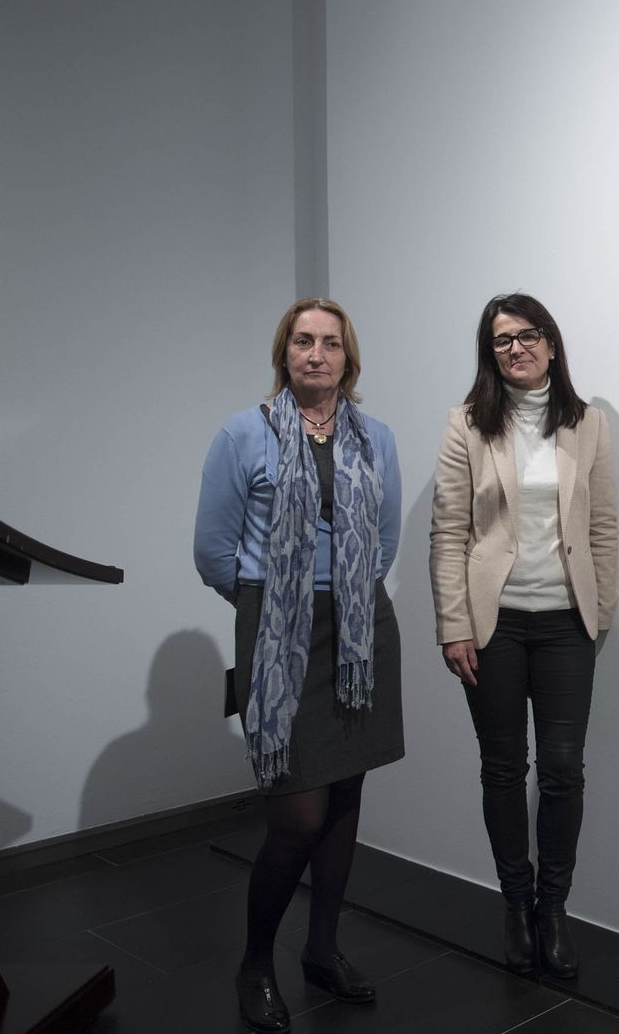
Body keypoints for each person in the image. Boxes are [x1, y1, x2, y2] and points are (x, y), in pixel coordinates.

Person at [194, 297, 404, 1033]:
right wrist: (270, 604)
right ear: (284, 352)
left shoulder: (375, 437)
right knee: (297, 816)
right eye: (303, 342)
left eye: (331, 344)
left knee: (344, 801)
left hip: (358, 631)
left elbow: (382, 541)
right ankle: (256, 962)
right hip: (277, 630)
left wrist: (341, 596)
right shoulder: (242, 433)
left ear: (350, 358)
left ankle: (322, 949)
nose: (317, 355)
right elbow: (213, 552)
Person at [430, 293, 617, 979]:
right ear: (492, 353)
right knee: (505, 768)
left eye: (528, 334)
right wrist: (455, 624)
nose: (517, 347)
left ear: (552, 343)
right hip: (494, 626)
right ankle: (515, 902)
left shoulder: (587, 423)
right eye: (503, 340)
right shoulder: (469, 425)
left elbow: (602, 527)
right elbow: (448, 532)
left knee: (563, 770)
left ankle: (552, 909)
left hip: (567, 625)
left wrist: (603, 608)